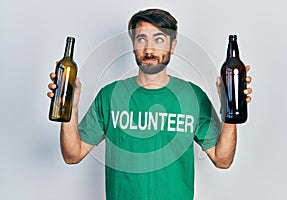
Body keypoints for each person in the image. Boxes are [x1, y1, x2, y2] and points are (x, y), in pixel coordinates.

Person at [47, 8, 253, 200]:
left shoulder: (193, 96)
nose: (149, 49)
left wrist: (230, 111)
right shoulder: (110, 96)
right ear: (133, 45)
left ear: (173, 45)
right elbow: (72, 155)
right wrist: (70, 110)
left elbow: (222, 160)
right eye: (141, 39)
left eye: (159, 39)